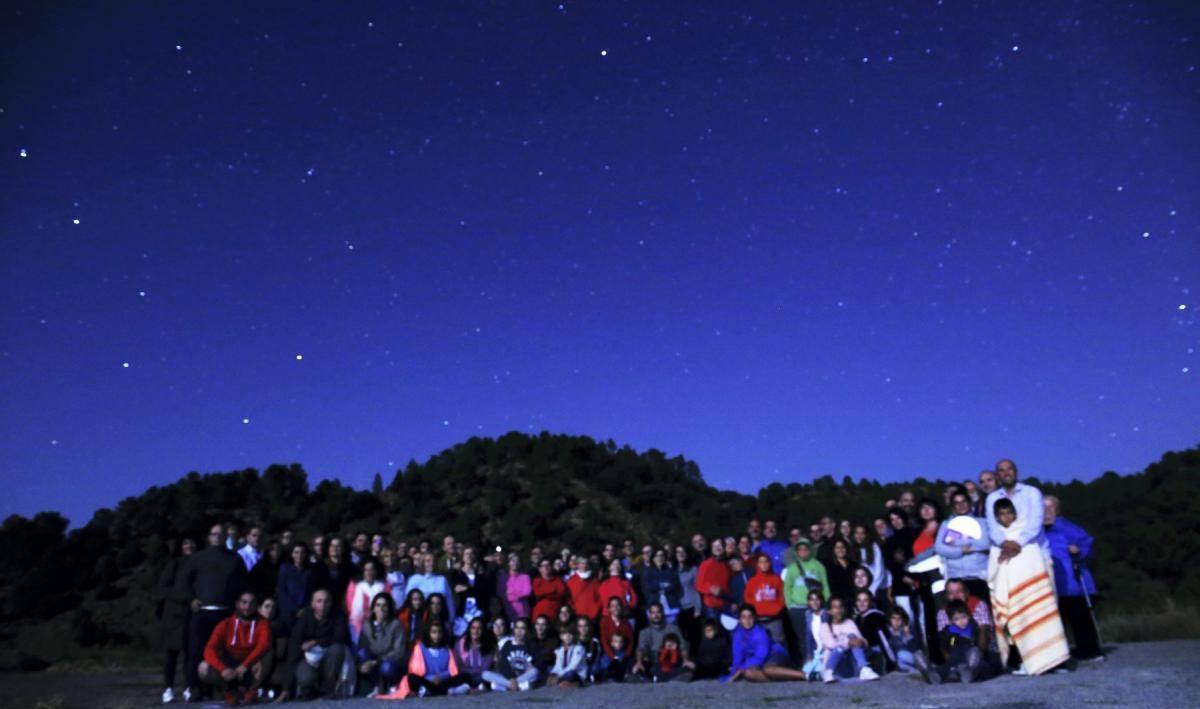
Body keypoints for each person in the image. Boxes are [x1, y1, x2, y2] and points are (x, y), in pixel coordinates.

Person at [988, 497, 1071, 676]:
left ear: (1015, 513)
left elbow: (1034, 554)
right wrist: (999, 563)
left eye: (1010, 513)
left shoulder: (1028, 532)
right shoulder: (997, 538)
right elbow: (993, 568)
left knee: (1045, 622)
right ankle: (1029, 661)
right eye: (1002, 514)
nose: (1007, 517)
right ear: (996, 517)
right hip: (1014, 591)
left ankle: (1055, 662)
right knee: (1021, 623)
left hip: (1033, 587)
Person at [182, 523, 246, 701]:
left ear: (227, 537)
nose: (217, 536)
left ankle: (224, 688)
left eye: (221, 534)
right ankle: (195, 689)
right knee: (196, 652)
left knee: (225, 653)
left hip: (226, 614)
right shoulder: (198, 558)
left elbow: (242, 584)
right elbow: (184, 580)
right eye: (214, 533)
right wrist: (191, 599)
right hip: (202, 612)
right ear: (209, 537)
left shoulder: (235, 559)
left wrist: (239, 606)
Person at [1043, 496, 1104, 660]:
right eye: (1043, 509)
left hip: (1073, 583)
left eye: (1051, 508)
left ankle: (1090, 650)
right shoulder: (1037, 532)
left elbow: (1088, 548)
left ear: (1057, 510)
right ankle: (1060, 655)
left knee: (1080, 618)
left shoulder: (1070, 528)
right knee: (1056, 623)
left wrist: (1079, 551)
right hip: (1051, 585)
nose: (1047, 512)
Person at [197, 591, 272, 705]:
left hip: (250, 667)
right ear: (237, 604)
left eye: (251, 603)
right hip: (230, 666)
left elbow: (264, 644)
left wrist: (245, 665)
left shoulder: (263, 623)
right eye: (244, 602)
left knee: (268, 652)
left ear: (256, 606)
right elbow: (209, 649)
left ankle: (252, 691)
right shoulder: (226, 624)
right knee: (203, 667)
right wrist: (223, 669)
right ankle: (228, 692)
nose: (247, 607)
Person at [278, 589, 349, 701]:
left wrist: (315, 641)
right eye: (319, 601)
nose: (323, 605)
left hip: (329, 656)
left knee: (338, 649)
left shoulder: (338, 615)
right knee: (305, 677)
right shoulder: (304, 618)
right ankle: (308, 689)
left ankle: (327, 690)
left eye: (327, 601)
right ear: (312, 603)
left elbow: (340, 636)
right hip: (310, 659)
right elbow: (294, 649)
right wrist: (285, 689)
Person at [384, 620, 471, 698]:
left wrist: (441, 677)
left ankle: (431, 691)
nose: (437, 635)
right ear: (428, 633)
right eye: (434, 632)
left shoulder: (447, 650)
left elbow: (452, 671)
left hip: (443, 681)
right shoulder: (419, 648)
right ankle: (447, 691)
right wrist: (431, 678)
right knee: (411, 678)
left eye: (439, 632)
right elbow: (415, 671)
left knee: (465, 676)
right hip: (427, 681)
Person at [724, 605, 808, 683]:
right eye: (744, 617)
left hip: (774, 654)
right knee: (748, 673)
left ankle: (805, 675)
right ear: (740, 619)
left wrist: (741, 668)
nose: (747, 621)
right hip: (759, 663)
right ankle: (782, 677)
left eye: (750, 617)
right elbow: (737, 657)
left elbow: (760, 657)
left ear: (755, 618)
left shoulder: (760, 632)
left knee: (768, 670)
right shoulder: (738, 634)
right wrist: (734, 673)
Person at [158, 536, 194, 704]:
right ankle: (168, 689)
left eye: (192, 543)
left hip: (192, 614)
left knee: (190, 654)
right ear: (181, 546)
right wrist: (184, 597)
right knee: (171, 654)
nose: (189, 546)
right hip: (174, 614)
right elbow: (164, 588)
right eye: (186, 543)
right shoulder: (175, 564)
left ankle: (188, 688)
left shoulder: (199, 562)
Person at [936, 490, 990, 601]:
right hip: (956, 579)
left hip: (979, 576)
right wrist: (961, 551)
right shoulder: (946, 524)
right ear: (952, 506)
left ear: (970, 503)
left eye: (964, 501)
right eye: (956, 503)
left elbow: (985, 543)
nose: (961, 505)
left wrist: (956, 542)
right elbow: (940, 548)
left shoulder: (982, 522)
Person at [354, 592, 406, 697]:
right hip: (373, 662)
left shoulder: (396, 624)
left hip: (390, 662)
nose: (381, 609)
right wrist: (360, 666)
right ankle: (377, 686)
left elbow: (399, 651)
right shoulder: (367, 626)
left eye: (384, 605)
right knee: (362, 653)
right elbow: (361, 648)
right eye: (377, 605)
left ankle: (393, 685)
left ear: (389, 608)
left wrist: (378, 661)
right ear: (373, 608)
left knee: (387, 667)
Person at [819, 597, 880, 683]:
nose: (839, 610)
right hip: (835, 665)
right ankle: (828, 673)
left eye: (841, 607)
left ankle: (864, 669)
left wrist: (862, 642)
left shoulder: (849, 622)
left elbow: (860, 639)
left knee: (853, 637)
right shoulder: (824, 626)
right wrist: (848, 642)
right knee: (839, 648)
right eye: (835, 607)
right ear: (830, 611)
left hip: (850, 663)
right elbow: (831, 644)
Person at [930, 601, 990, 684]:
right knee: (947, 668)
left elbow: (979, 641)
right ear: (951, 621)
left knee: (984, 666)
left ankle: (970, 671)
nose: (961, 621)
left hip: (971, 654)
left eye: (963, 617)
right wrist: (948, 653)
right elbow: (946, 646)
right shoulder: (949, 632)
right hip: (956, 657)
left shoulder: (973, 627)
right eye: (956, 619)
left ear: (968, 616)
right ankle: (932, 673)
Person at [632, 602, 693, 681]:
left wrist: (685, 660)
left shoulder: (674, 629)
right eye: (653, 613)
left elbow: (683, 646)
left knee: (691, 664)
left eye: (658, 612)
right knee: (633, 664)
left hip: (671, 661)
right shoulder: (644, 632)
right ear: (649, 615)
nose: (656, 615)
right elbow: (640, 649)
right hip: (653, 662)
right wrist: (639, 662)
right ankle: (647, 678)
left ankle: (673, 677)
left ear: (662, 613)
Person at [482, 618, 539, 691]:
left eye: (522, 628)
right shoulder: (507, 644)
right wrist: (511, 678)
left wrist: (531, 667)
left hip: (523, 676)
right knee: (485, 674)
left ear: (527, 631)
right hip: (508, 677)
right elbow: (502, 664)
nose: (519, 631)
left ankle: (507, 686)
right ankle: (515, 686)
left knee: (535, 671)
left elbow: (537, 663)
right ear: (514, 630)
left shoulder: (531, 645)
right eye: (517, 628)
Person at [743, 553, 786, 645]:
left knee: (778, 645)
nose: (764, 564)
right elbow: (748, 598)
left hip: (775, 619)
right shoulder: (752, 581)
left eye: (766, 562)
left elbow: (782, 596)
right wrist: (756, 610)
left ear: (770, 563)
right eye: (761, 562)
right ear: (757, 564)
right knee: (760, 644)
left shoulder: (777, 579)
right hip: (759, 620)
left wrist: (777, 609)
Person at [405, 553, 455, 627]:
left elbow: (449, 601)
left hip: (440, 618)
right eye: (428, 561)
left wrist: (451, 619)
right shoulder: (415, 579)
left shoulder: (442, 579)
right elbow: (408, 601)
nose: (431, 563)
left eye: (433, 561)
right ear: (423, 563)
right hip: (421, 619)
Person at [345, 560, 390, 644]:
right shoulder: (354, 585)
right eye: (366, 569)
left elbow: (389, 603)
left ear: (376, 571)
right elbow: (350, 606)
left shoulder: (384, 585)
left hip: (380, 623)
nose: (369, 572)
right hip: (357, 624)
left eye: (372, 569)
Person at [275, 543, 312, 639]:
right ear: (292, 554)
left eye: (302, 552)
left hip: (305, 610)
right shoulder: (285, 568)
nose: (299, 555)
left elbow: (312, 591)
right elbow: (282, 590)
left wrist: (306, 608)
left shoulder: (311, 570)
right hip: (288, 610)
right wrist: (295, 609)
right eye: (296, 552)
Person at [882, 606, 929, 675]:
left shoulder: (907, 631)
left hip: (913, 656)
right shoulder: (888, 633)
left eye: (899, 619)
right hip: (900, 659)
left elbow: (916, 649)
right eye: (894, 618)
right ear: (889, 619)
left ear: (903, 620)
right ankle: (918, 672)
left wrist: (907, 635)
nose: (896, 621)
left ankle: (925, 667)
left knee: (902, 655)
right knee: (900, 661)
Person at [641, 548, 684, 625]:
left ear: (665, 558)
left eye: (662, 555)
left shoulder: (671, 571)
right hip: (653, 607)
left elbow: (675, 587)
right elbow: (648, 587)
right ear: (653, 558)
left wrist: (658, 585)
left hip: (671, 607)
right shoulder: (647, 571)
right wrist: (662, 585)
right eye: (657, 556)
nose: (659, 558)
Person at [453, 616, 495, 690]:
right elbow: (458, 665)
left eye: (479, 628)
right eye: (473, 628)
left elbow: (485, 667)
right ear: (469, 629)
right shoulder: (460, 644)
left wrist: (472, 671)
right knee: (462, 678)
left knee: (486, 676)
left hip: (481, 677)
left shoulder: (488, 645)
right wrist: (470, 672)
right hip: (465, 676)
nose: (475, 631)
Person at [852, 524, 890, 600]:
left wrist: (872, 589)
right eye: (857, 533)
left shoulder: (873, 546)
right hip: (863, 587)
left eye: (862, 533)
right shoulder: (854, 548)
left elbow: (880, 570)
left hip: (877, 587)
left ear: (866, 535)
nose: (859, 536)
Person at [696, 539, 732, 620]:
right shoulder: (706, 564)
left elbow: (729, 586)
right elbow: (699, 585)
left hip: (726, 604)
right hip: (711, 606)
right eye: (714, 546)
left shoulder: (727, 566)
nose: (717, 548)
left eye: (719, 545)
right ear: (711, 549)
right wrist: (710, 589)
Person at [675, 546, 702, 648]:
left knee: (694, 637)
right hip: (678, 608)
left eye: (683, 551)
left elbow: (697, 589)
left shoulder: (694, 569)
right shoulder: (673, 570)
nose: (681, 554)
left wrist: (698, 608)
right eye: (678, 552)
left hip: (691, 606)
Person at [531, 558, 569, 625]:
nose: (546, 567)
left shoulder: (558, 580)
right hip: (539, 614)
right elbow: (537, 593)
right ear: (540, 569)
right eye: (543, 566)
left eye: (548, 565)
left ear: (551, 567)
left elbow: (562, 593)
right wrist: (553, 590)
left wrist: (544, 593)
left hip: (555, 614)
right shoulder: (537, 581)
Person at [497, 552, 532, 622]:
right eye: (513, 560)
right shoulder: (503, 578)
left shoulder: (525, 577)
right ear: (509, 563)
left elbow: (527, 592)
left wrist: (511, 594)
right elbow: (501, 593)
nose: (515, 563)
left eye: (517, 561)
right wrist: (518, 594)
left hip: (522, 612)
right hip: (507, 611)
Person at [567, 556, 603, 622]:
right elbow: (568, 597)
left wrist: (595, 610)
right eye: (581, 563)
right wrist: (571, 610)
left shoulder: (594, 581)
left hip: (591, 616)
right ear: (577, 565)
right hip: (576, 614)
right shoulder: (571, 580)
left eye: (586, 563)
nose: (584, 565)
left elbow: (600, 597)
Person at [823, 538, 858, 604]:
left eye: (843, 547)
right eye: (837, 547)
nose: (840, 550)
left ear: (846, 549)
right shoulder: (829, 566)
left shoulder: (854, 565)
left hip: (854, 599)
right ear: (833, 550)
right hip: (837, 602)